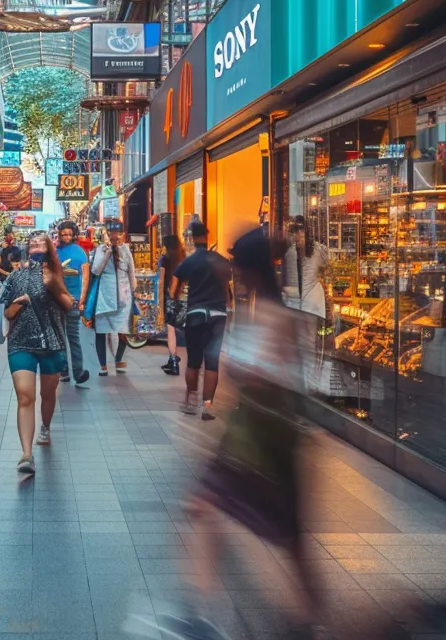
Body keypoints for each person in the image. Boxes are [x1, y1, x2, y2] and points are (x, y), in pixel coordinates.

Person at [162, 227, 325, 640]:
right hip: (255, 431)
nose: (233, 272)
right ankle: (207, 610)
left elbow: (276, 376)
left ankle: (309, 616)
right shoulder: (263, 308)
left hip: (265, 436)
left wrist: (241, 367)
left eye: (237, 265)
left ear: (249, 268)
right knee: (208, 506)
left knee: (286, 533)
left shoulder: (278, 315)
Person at [0, 231, 76, 474]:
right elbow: (7, 314)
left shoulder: (56, 274)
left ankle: (46, 426)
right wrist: (19, 303)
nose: (36, 248)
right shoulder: (15, 277)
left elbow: (69, 307)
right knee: (25, 396)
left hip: (51, 341)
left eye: (41, 244)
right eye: (32, 245)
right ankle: (26, 454)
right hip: (21, 342)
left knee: (48, 393)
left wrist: (53, 285)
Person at [170, 221, 231, 419]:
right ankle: (207, 407)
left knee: (194, 360)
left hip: (195, 314)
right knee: (212, 362)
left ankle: (190, 401)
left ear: (192, 238)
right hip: (218, 315)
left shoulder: (189, 262)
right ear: (207, 235)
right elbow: (227, 291)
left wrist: (179, 296)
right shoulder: (221, 261)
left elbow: (173, 291)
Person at [282, 217, 328, 391]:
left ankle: (302, 382)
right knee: (310, 343)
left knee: (298, 343)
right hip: (311, 301)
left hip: (297, 302)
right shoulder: (317, 250)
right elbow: (326, 263)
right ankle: (310, 382)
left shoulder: (289, 252)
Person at [87, 225, 139, 376]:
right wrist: (107, 252)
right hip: (105, 296)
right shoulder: (100, 250)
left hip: (124, 297)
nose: (115, 237)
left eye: (118, 234)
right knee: (101, 332)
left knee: (124, 330)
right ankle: (103, 365)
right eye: (112, 234)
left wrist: (134, 292)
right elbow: (95, 270)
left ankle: (119, 359)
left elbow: (132, 273)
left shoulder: (126, 250)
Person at [55, 220, 92, 385]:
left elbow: (85, 276)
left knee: (73, 337)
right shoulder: (54, 252)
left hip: (73, 300)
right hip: (56, 300)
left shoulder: (80, 252)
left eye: (69, 234)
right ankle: (63, 370)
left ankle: (78, 371)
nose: (66, 237)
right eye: (64, 234)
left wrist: (82, 298)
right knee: (59, 337)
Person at [157, 234, 185, 376]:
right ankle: (171, 359)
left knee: (171, 330)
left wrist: (159, 301)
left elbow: (161, 281)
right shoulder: (182, 258)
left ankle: (174, 361)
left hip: (170, 297)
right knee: (176, 328)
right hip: (181, 297)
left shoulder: (165, 260)